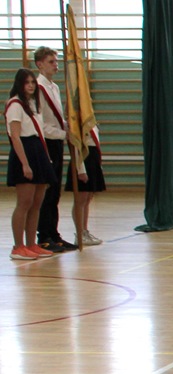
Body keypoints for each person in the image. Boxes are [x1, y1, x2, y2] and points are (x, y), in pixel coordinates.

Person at [7, 68, 54, 260]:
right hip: (24, 151)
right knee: (24, 202)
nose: (31, 86)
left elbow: (40, 131)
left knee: (36, 203)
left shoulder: (34, 103)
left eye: (33, 82)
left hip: (38, 150)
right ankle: (18, 246)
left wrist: (45, 158)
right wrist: (25, 164)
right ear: (20, 84)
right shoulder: (15, 104)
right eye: (27, 82)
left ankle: (31, 244)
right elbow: (15, 136)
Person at [32, 48, 73, 253]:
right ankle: (44, 237)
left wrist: (67, 126)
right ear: (39, 64)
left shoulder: (54, 87)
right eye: (51, 61)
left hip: (57, 142)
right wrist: (62, 134)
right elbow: (40, 123)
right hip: (46, 143)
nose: (56, 65)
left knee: (55, 191)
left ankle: (54, 234)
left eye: (56, 61)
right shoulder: (37, 88)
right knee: (46, 192)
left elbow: (56, 118)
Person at [66, 126, 105, 246]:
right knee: (80, 200)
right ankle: (79, 234)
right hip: (83, 159)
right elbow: (77, 146)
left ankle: (84, 231)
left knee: (87, 199)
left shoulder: (91, 121)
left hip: (92, 157)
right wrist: (80, 169)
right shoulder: (78, 122)